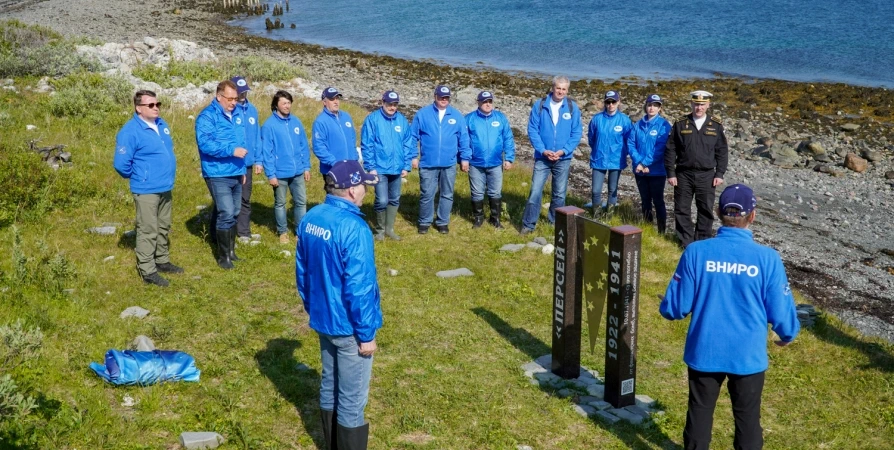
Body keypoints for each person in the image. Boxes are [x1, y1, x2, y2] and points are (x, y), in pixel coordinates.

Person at [659, 183, 800, 450]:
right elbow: (780, 309)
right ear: (753, 215)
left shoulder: (697, 253)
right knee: (747, 418)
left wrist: (670, 305)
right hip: (747, 354)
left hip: (705, 349)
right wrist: (787, 333)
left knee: (699, 412)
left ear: (718, 212)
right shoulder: (767, 259)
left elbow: (674, 308)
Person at [296, 160, 382, 450]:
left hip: (324, 318)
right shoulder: (355, 228)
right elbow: (359, 288)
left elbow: (302, 271)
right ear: (351, 190)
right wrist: (366, 334)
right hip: (349, 327)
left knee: (329, 386)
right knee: (352, 400)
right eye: (364, 186)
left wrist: (313, 308)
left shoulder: (311, 217)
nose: (366, 191)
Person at [114, 89, 182, 287]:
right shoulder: (130, 131)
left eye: (157, 104)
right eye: (150, 105)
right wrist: (140, 176)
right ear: (138, 108)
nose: (156, 108)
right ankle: (147, 270)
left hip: (165, 185)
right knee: (147, 229)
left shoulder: (162, 125)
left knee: (163, 225)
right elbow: (121, 164)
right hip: (146, 189)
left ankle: (162, 260)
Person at [665, 90, 729, 247]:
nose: (699, 108)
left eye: (702, 105)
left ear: (708, 105)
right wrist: (671, 173)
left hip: (707, 175)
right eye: (696, 104)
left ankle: (701, 243)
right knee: (681, 209)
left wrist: (719, 173)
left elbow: (722, 151)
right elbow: (670, 149)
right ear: (691, 104)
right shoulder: (680, 123)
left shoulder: (716, 125)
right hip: (683, 174)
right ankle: (685, 243)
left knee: (706, 210)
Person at [196, 79, 248, 269]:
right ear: (219, 97)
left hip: (236, 171)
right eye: (230, 98)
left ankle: (231, 252)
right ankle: (222, 256)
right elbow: (205, 144)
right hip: (217, 173)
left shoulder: (238, 115)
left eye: (236, 99)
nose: (233, 102)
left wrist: (242, 169)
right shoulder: (207, 117)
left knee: (234, 212)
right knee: (226, 212)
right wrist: (231, 150)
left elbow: (242, 143)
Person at [520, 75, 582, 235]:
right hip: (543, 158)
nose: (560, 91)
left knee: (559, 194)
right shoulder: (540, 105)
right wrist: (542, 150)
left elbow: (576, 133)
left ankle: (555, 223)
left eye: (564, 89)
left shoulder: (572, 107)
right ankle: (528, 225)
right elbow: (532, 129)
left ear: (567, 91)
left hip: (563, 158)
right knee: (535, 191)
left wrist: (564, 151)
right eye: (558, 88)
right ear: (552, 88)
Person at [408, 85, 471, 234]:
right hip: (428, 163)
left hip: (449, 163)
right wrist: (413, 156)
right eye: (441, 97)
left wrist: (465, 158)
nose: (444, 100)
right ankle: (424, 222)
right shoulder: (423, 114)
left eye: (446, 97)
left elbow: (464, 138)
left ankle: (442, 222)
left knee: (447, 194)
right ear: (435, 96)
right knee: (426, 194)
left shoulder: (456, 116)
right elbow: (412, 137)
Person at [360, 90, 413, 241]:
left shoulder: (402, 120)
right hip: (379, 167)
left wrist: (406, 165)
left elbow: (408, 143)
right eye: (389, 104)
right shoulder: (373, 119)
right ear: (383, 102)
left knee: (394, 198)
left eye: (395, 104)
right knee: (382, 199)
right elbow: (367, 144)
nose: (392, 107)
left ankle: (389, 229)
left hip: (397, 168)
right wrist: (371, 166)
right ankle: (379, 230)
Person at [261, 90, 311, 244]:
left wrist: (306, 167)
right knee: (280, 203)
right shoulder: (269, 125)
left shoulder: (296, 122)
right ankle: (282, 232)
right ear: (276, 105)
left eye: (289, 103)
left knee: (301, 202)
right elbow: (266, 152)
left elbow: (303, 146)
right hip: (280, 173)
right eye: (284, 103)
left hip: (297, 171)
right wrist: (271, 174)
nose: (287, 106)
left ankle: (300, 231)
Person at [464, 90, 515, 228]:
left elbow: (508, 139)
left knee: (495, 192)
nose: (487, 104)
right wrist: (464, 159)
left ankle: (495, 219)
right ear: (478, 102)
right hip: (475, 163)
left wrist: (509, 158)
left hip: (496, 163)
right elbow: (463, 141)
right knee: (477, 192)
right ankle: (478, 218)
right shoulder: (469, 119)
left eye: (490, 101)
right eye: (484, 101)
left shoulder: (500, 118)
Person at [627, 93, 672, 233]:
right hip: (640, 170)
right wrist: (639, 163)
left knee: (658, 201)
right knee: (645, 200)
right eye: (650, 105)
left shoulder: (664, 125)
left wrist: (645, 163)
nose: (652, 108)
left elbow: (660, 149)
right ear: (645, 106)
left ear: (660, 108)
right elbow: (630, 144)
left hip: (657, 171)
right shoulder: (638, 124)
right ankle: (648, 229)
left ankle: (661, 232)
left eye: (655, 105)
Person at [587, 90, 632, 217]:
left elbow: (630, 140)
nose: (611, 105)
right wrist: (597, 149)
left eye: (613, 102)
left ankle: (610, 215)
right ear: (605, 103)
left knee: (612, 190)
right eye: (608, 102)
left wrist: (623, 153)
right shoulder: (597, 119)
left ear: (618, 102)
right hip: (598, 158)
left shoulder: (625, 120)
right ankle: (596, 214)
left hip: (616, 160)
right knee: (596, 190)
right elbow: (591, 138)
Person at [231, 76, 263, 243]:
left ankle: (243, 232)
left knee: (245, 197)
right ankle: (225, 232)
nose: (242, 94)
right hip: (231, 162)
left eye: (244, 91)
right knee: (228, 199)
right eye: (239, 91)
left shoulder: (253, 110)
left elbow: (257, 136)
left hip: (248, 163)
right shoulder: (228, 110)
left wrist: (259, 160)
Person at [312, 87, 358, 177]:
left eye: (337, 98)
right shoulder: (320, 122)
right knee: (335, 192)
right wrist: (335, 163)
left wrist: (355, 158)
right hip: (333, 170)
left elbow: (352, 139)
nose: (336, 102)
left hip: (350, 167)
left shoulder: (346, 116)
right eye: (332, 99)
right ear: (324, 102)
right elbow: (319, 148)